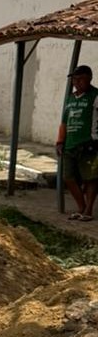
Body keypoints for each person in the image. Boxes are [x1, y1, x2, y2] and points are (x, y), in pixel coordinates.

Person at [56, 64, 98, 221]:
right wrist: (60, 141)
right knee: (68, 177)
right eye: (75, 79)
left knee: (90, 178)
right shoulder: (71, 98)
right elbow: (64, 122)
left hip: (89, 144)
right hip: (70, 144)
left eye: (81, 79)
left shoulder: (95, 96)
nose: (77, 82)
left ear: (89, 79)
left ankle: (88, 210)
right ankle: (80, 206)